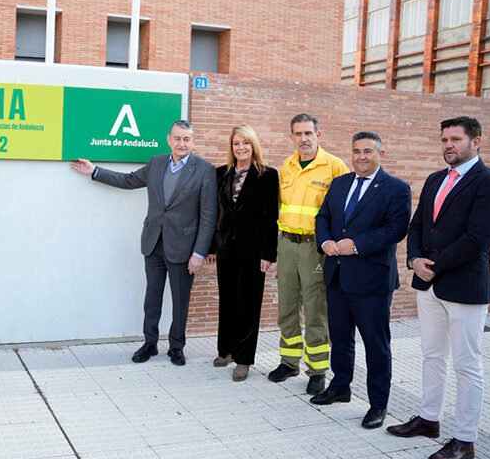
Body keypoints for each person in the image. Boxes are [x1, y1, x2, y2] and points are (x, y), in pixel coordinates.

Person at [387, 116, 490, 459]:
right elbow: (418, 223)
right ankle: (428, 419)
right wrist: (414, 259)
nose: (448, 145)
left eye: (455, 139)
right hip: (428, 284)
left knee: (467, 365)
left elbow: (478, 238)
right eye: (443, 140)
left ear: (475, 142)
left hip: (465, 285)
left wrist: (432, 265)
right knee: (432, 355)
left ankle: (466, 440)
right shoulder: (436, 178)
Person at [71, 120, 217, 366]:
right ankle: (149, 343)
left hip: (183, 248)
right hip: (153, 243)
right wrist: (95, 171)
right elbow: (128, 181)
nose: (182, 143)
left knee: (180, 301)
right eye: (178, 138)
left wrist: (199, 253)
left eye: (187, 139)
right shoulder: (156, 163)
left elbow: (209, 215)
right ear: (169, 139)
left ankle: (176, 347)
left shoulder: (204, 170)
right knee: (152, 298)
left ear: (193, 142)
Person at [311, 131, 410, 429]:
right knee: (340, 338)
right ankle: (341, 386)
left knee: (376, 345)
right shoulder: (340, 183)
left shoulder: (396, 188)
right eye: (356, 151)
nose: (361, 156)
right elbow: (322, 217)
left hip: (372, 281)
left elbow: (395, 230)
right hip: (338, 275)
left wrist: (356, 244)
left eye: (368, 151)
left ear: (381, 152)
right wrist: (325, 241)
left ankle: (377, 404)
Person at [269, 113, 348, 395]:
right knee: (287, 305)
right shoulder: (287, 166)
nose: (303, 139)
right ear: (291, 137)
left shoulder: (334, 166)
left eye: (308, 133)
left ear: (318, 135)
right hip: (287, 244)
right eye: (298, 134)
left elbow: (343, 211)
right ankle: (289, 362)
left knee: (315, 309)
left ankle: (317, 370)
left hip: (316, 247)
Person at [207, 125, 278, 382]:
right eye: (237, 143)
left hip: (253, 250)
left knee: (249, 304)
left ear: (253, 145)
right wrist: (212, 247)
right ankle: (225, 350)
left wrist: (268, 253)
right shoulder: (221, 174)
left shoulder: (267, 175)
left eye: (246, 143)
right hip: (225, 248)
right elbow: (214, 214)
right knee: (227, 300)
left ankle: (244, 358)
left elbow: (271, 218)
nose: (241, 148)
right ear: (232, 147)